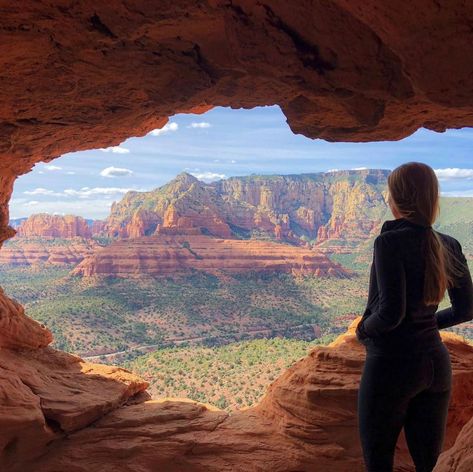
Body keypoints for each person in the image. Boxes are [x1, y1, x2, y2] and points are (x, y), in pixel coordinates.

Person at [356, 161, 473, 472]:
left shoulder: (388, 241)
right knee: (428, 465)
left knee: (379, 463)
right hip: (436, 364)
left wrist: (364, 329)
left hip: (392, 365)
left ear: (398, 199)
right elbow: (467, 309)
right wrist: (427, 324)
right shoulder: (449, 243)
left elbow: (391, 313)